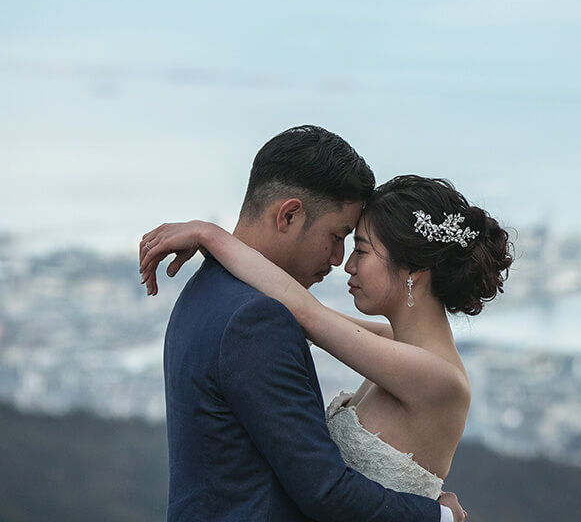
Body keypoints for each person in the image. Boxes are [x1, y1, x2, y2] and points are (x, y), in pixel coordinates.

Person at [142, 126, 467, 522]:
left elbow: (316, 318)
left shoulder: (207, 289)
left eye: (357, 247)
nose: (339, 260)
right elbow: (325, 490)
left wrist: (211, 235)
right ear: (290, 214)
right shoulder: (255, 318)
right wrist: (439, 517)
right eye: (338, 236)